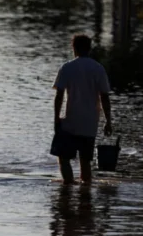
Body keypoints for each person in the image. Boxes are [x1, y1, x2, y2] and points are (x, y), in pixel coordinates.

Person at [51, 34, 113, 184]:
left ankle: (68, 188)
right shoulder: (98, 69)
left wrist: (56, 119)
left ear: (74, 48)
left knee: (63, 158)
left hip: (69, 121)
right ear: (89, 49)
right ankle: (85, 194)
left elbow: (59, 96)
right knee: (85, 161)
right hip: (90, 123)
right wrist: (108, 121)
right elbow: (104, 97)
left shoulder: (67, 68)